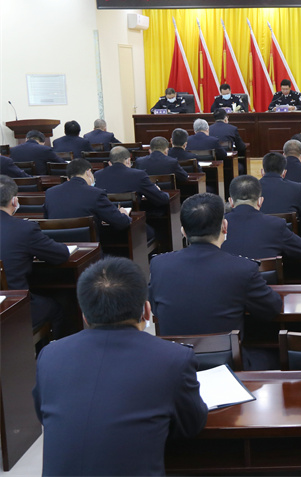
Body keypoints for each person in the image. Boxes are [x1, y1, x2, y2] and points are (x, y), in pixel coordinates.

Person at [33, 257, 208, 476]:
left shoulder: (50, 355)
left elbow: (44, 416)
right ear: (146, 311)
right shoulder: (174, 358)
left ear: (85, 315)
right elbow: (191, 425)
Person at [149, 193, 283, 364]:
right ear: (224, 226)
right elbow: (272, 307)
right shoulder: (243, 268)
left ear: (183, 231)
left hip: (175, 363)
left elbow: (155, 308)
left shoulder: (159, 265)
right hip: (228, 365)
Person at [0, 174, 69, 330]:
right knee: (56, 308)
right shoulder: (24, 229)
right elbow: (61, 255)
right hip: (15, 307)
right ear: (14, 201)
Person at [221, 175, 301, 261]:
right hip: (261, 275)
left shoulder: (218, 226)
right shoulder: (276, 225)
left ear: (231, 202)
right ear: (260, 201)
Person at [44, 158, 131, 231]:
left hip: (59, 247)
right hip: (91, 249)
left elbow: (47, 220)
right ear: (88, 172)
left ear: (68, 178)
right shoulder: (96, 193)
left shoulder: (50, 192)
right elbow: (121, 222)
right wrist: (124, 215)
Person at [260, 152, 301, 237]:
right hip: (288, 243)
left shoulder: (250, 188)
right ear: (284, 173)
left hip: (258, 241)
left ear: (262, 172)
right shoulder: (296, 188)